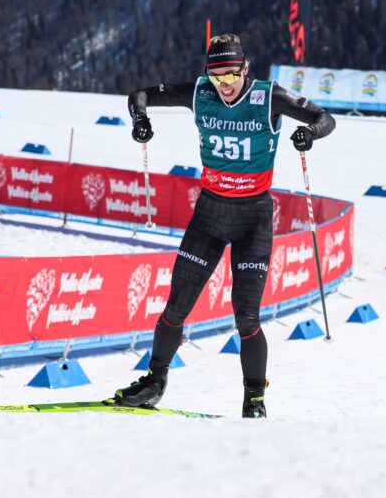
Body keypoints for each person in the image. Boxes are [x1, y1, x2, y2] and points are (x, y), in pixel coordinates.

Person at [109, 34, 336, 418]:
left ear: (245, 69)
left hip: (254, 220)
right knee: (176, 307)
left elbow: (324, 118)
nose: (225, 84)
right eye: (216, 77)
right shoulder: (201, 93)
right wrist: (141, 120)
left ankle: (254, 402)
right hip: (210, 217)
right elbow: (139, 95)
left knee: (246, 315)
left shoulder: (269, 97)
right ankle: (154, 382)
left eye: (231, 75)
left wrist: (308, 134)